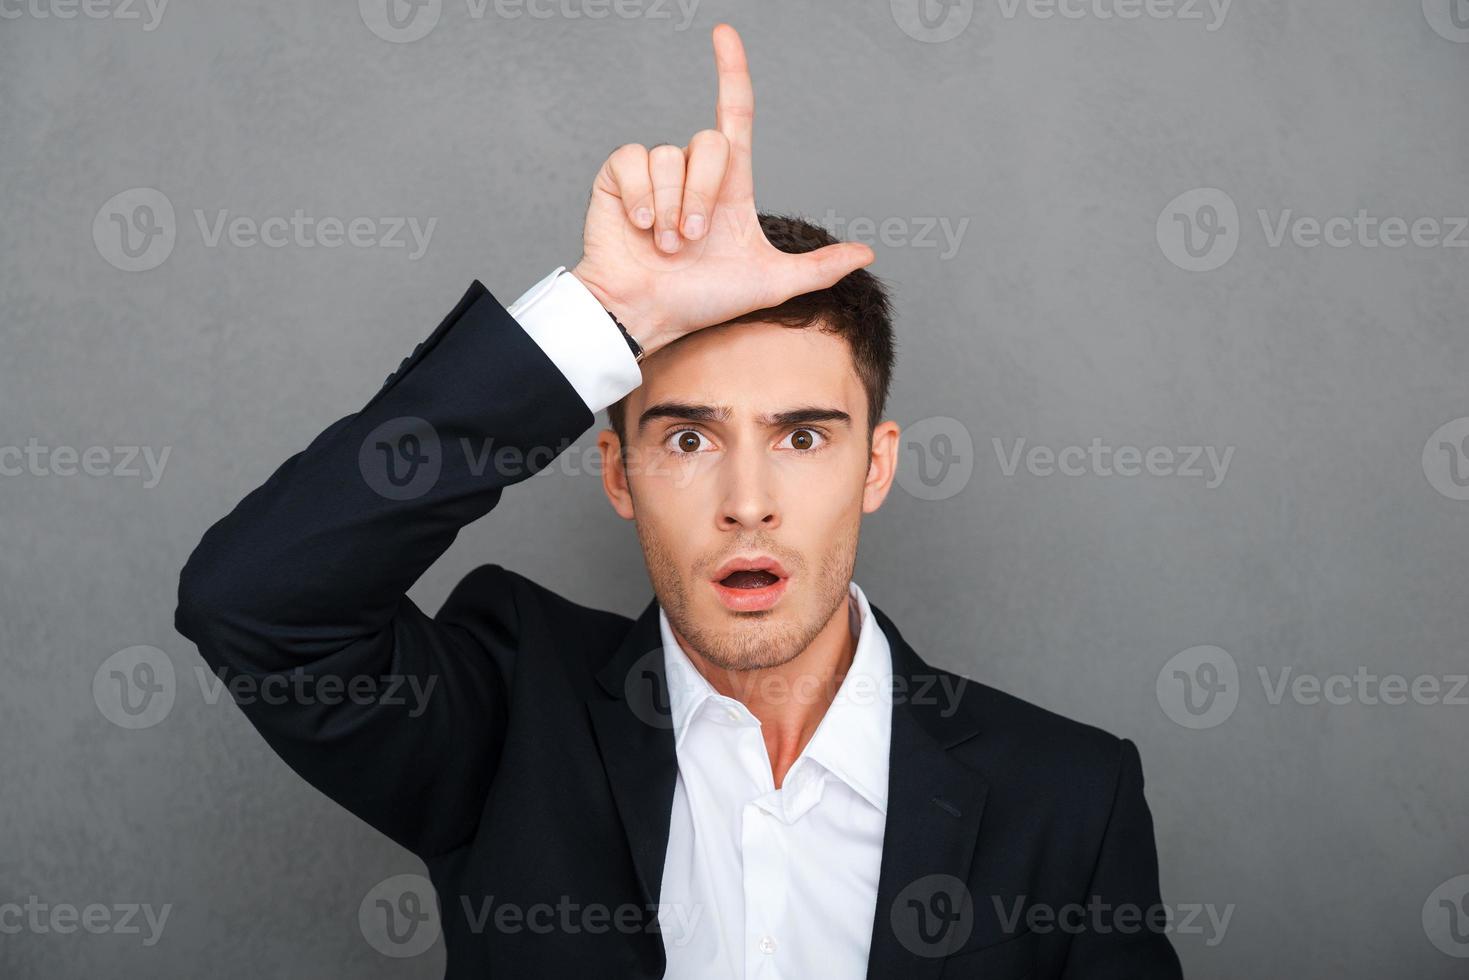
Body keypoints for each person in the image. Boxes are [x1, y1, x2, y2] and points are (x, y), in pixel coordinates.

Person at [175, 23, 1182, 980]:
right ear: (617, 472)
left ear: (874, 467)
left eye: (801, 436)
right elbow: (257, 600)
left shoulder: (1067, 797)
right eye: (688, 437)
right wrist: (600, 315)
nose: (748, 502)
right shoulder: (512, 719)